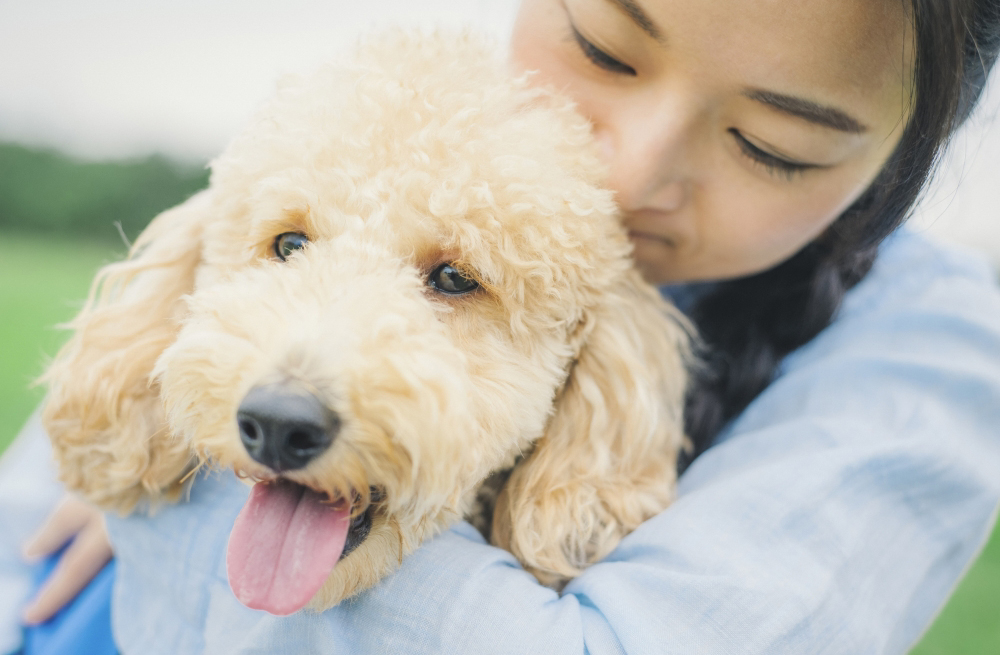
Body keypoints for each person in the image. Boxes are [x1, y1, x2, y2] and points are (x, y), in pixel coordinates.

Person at [5, 0, 1000, 651]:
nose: (627, 174)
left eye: (768, 144)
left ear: (898, 172)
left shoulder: (931, 357)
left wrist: (177, 523)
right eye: (606, 51)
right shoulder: (370, 129)